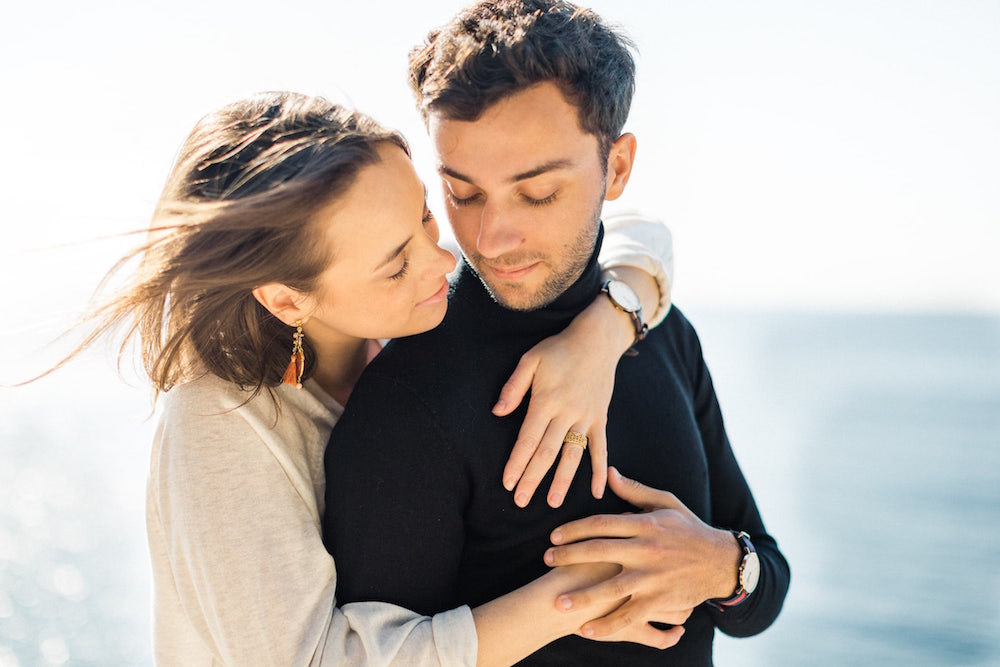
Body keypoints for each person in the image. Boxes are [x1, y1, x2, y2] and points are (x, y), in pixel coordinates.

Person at [52, 91, 675, 664]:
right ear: (289, 301)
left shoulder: (398, 329)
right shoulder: (217, 424)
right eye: (395, 265)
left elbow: (636, 229)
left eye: (426, 218)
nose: (447, 259)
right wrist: (571, 599)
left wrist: (603, 331)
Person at [322, 1, 791, 665]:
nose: (491, 239)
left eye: (537, 192)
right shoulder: (404, 403)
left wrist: (723, 567)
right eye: (462, 192)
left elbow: (764, 584)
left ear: (617, 167)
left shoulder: (661, 332)